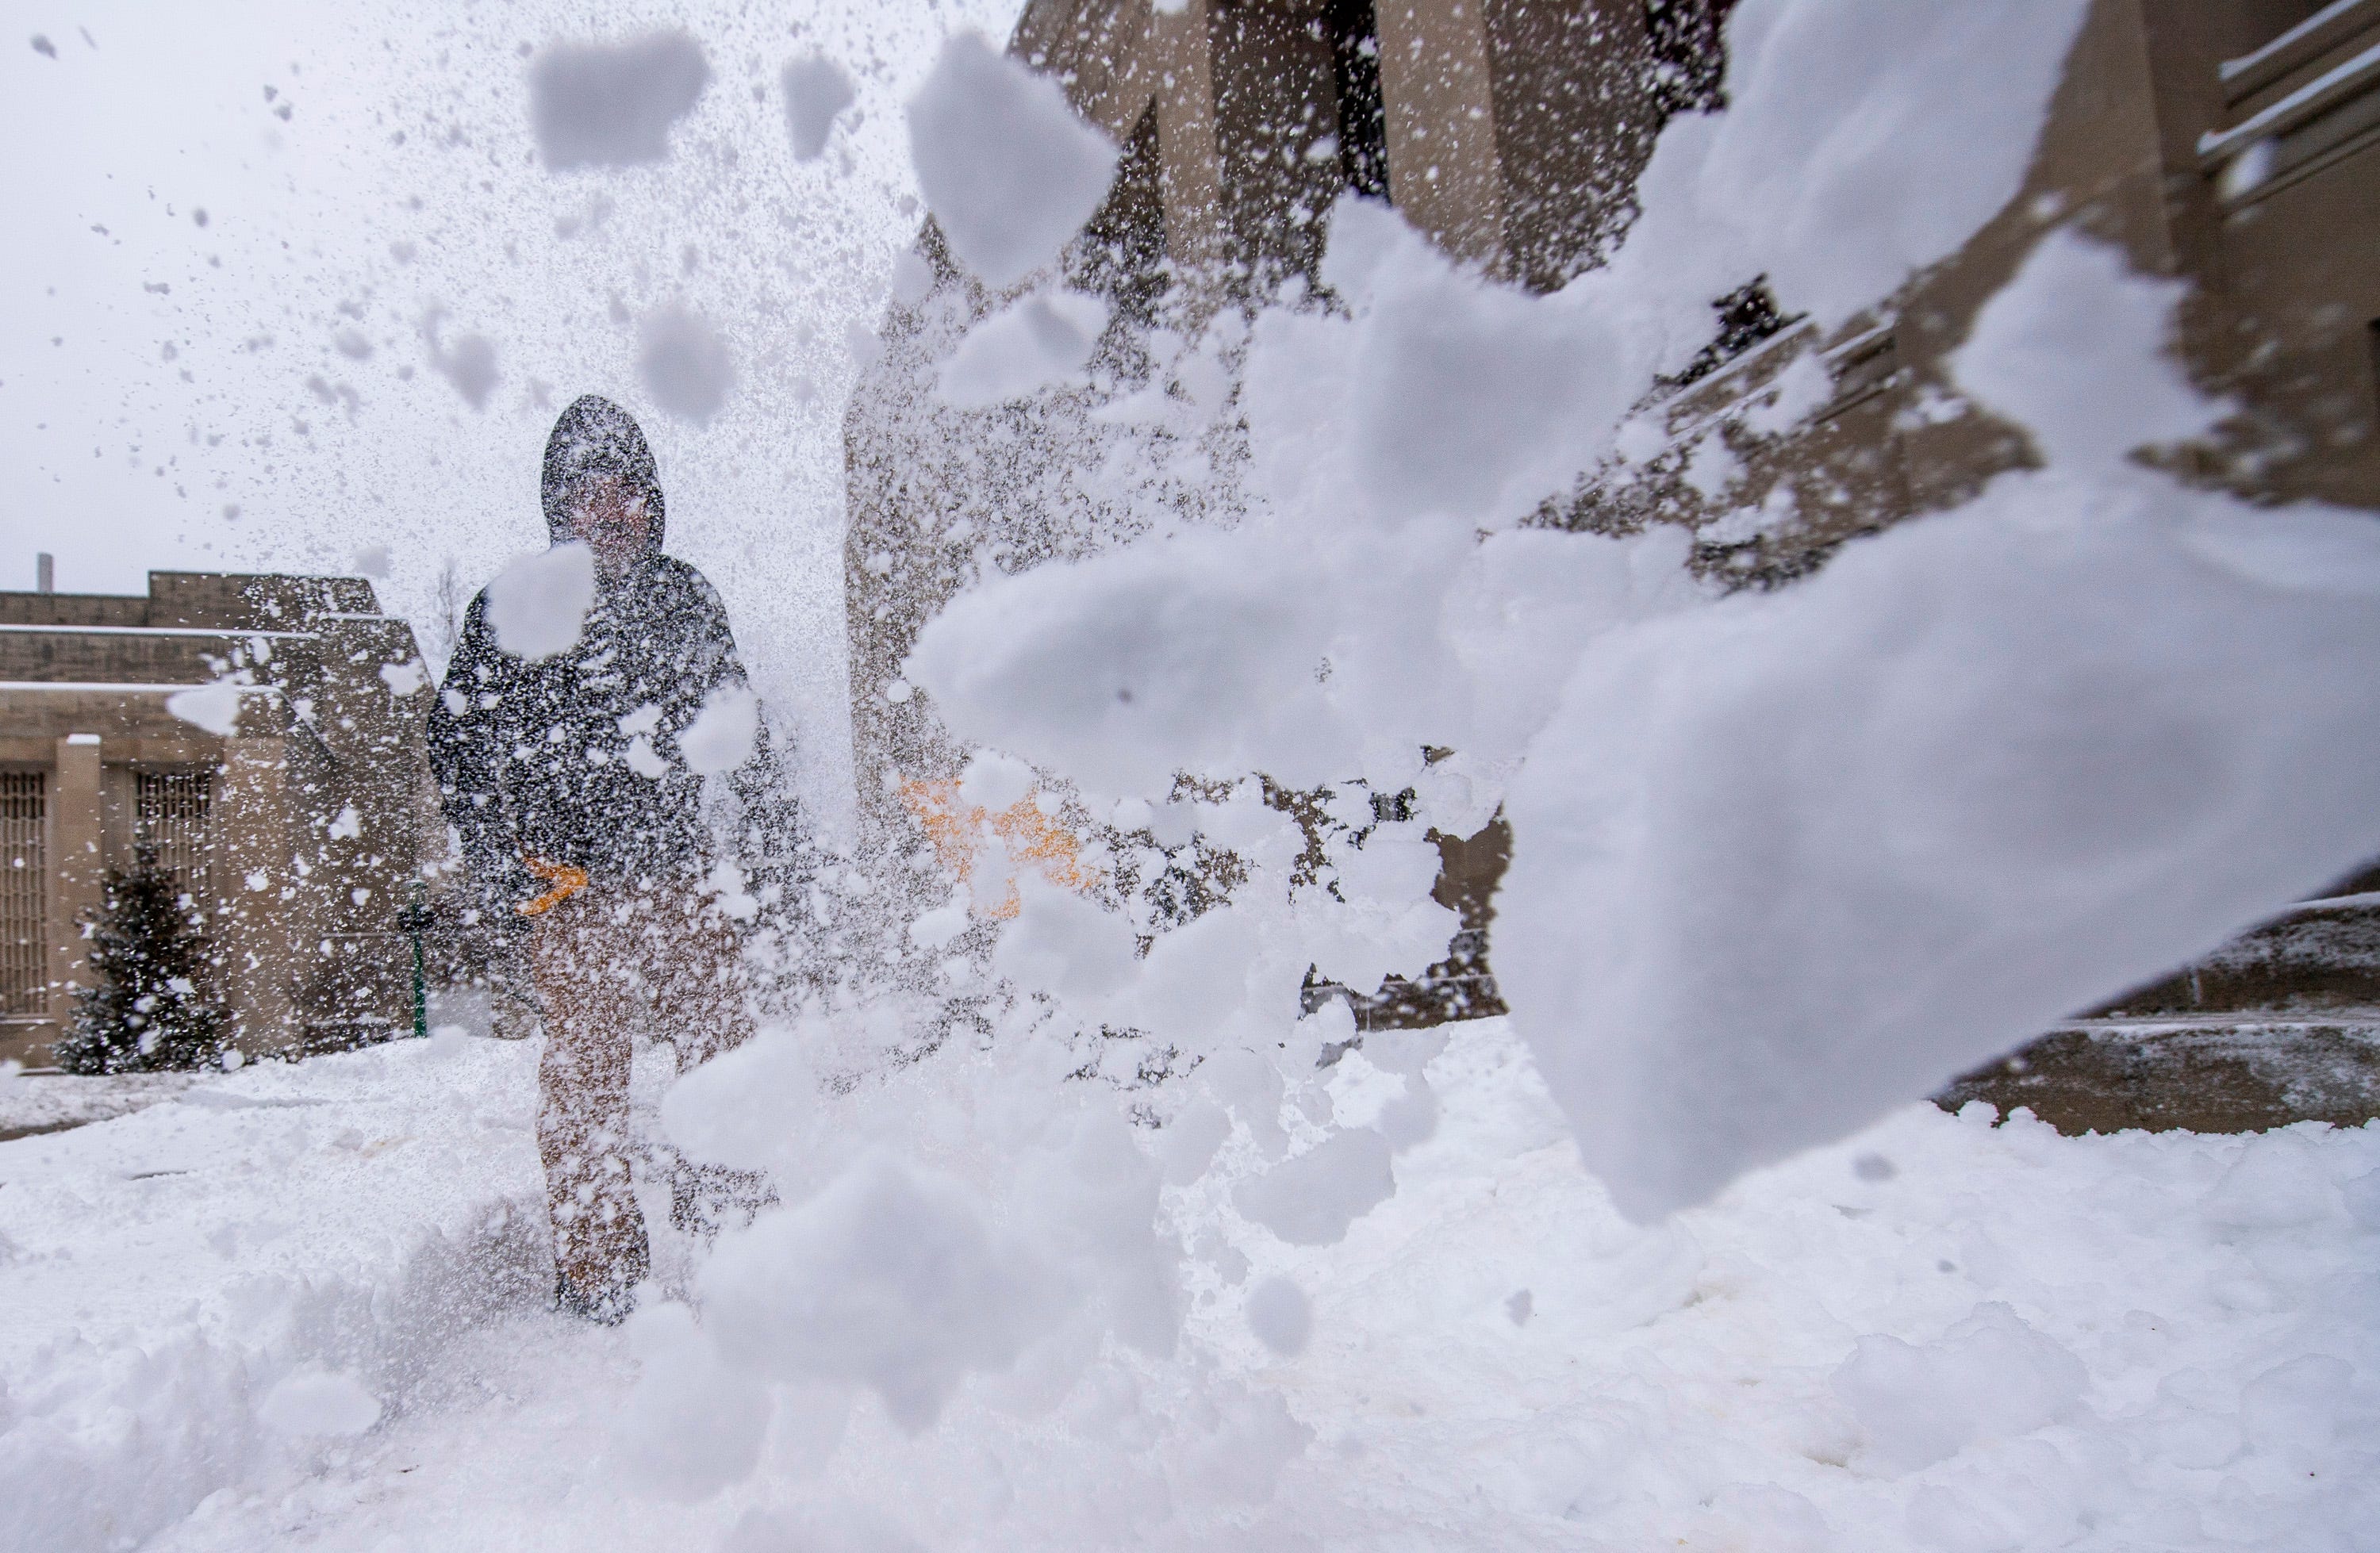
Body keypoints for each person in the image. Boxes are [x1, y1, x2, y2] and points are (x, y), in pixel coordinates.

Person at [428, 394, 773, 1324]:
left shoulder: (684, 597)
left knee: (725, 1054)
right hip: (572, 890)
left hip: (684, 876)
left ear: (652, 501)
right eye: (589, 492)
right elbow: (457, 745)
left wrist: (767, 849)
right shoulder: (514, 605)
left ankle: (738, 1223)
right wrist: (500, 863)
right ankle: (598, 1263)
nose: (611, 509)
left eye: (628, 490)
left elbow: (742, 733)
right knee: (584, 1082)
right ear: (559, 506)